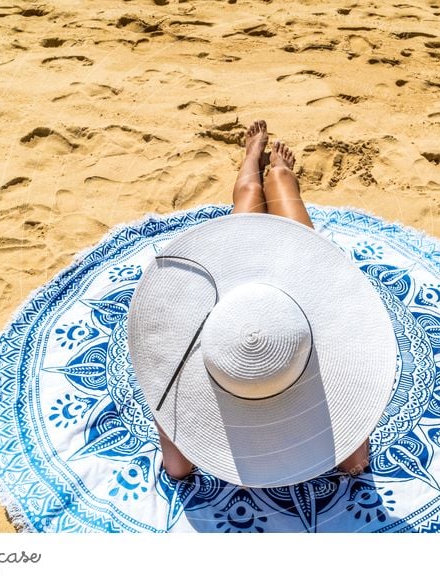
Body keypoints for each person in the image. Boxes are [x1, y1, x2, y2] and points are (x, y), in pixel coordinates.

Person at [154, 120, 371, 480]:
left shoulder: (224, 377)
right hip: (293, 298)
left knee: (250, 196)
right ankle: (278, 171)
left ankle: (255, 160)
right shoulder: (299, 370)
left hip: (237, 296)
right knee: (275, 191)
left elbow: (177, 469)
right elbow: (355, 464)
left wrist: (169, 391)